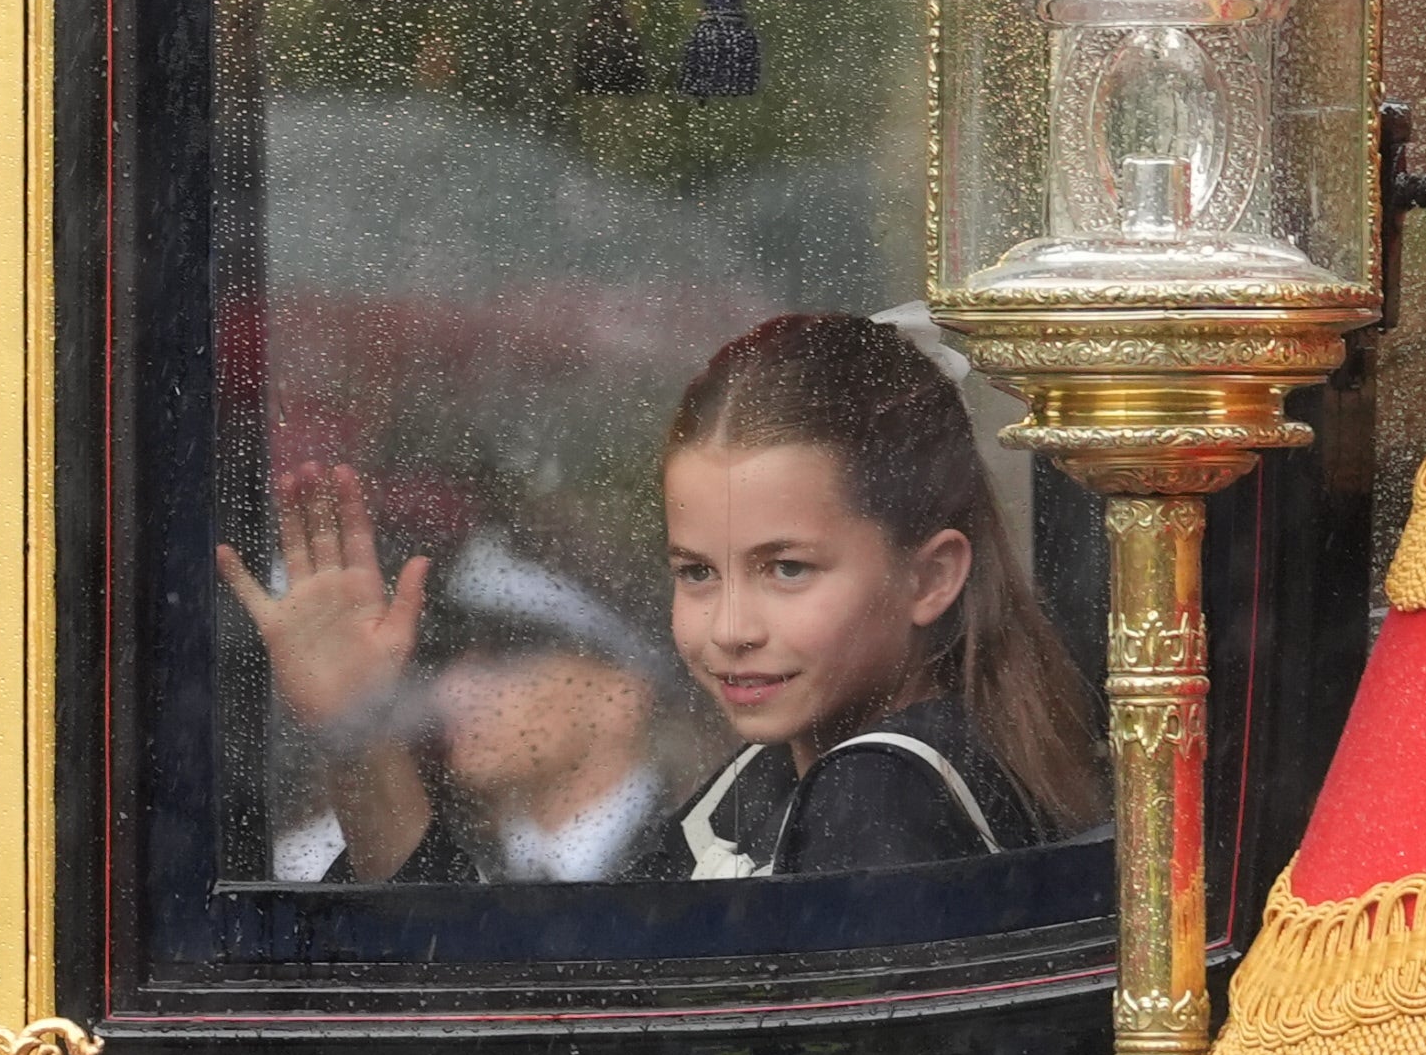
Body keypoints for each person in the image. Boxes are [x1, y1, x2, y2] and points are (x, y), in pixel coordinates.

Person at [218, 312, 1107, 881]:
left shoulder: (879, 790)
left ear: (930, 577)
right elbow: (495, 987)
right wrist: (358, 723)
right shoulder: (775, 772)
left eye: (787, 569)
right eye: (697, 573)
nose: (730, 629)